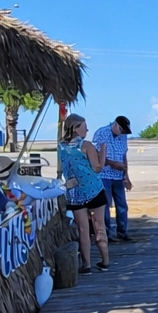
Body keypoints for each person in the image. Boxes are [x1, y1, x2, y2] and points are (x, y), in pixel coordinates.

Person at [60, 113, 110, 272]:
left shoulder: (61, 145)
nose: (87, 129)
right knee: (99, 227)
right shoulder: (86, 145)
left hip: (74, 194)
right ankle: (105, 261)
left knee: (83, 229)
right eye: (84, 126)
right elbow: (97, 168)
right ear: (75, 128)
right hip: (93, 190)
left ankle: (86, 264)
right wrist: (103, 151)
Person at [92, 115, 134, 242]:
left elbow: (124, 156)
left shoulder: (123, 137)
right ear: (115, 125)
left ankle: (122, 232)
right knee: (105, 205)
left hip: (118, 176)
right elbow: (97, 156)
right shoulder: (101, 133)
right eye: (121, 130)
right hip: (104, 175)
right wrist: (112, 164)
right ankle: (107, 234)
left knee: (122, 205)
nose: (122, 134)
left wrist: (126, 177)